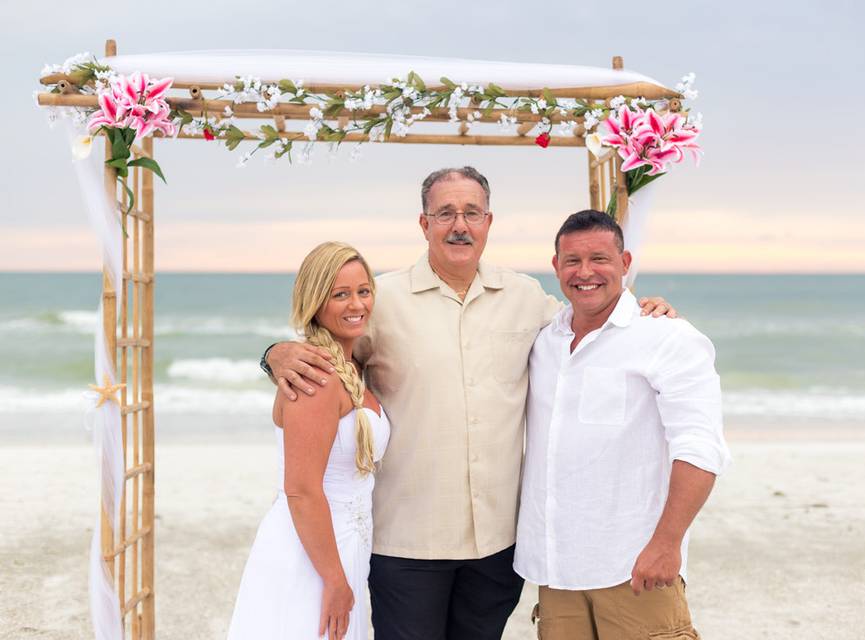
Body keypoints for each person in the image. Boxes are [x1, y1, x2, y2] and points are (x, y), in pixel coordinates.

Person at [264, 168, 678, 640]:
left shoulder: (525, 296)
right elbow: (325, 354)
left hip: (499, 546)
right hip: (406, 545)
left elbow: (592, 322)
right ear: (424, 224)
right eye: (445, 213)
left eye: (471, 213)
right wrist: (273, 354)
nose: (459, 225)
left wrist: (644, 308)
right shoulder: (382, 300)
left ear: (488, 221)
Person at [514, 209, 731, 639]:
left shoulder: (667, 338)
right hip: (557, 572)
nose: (585, 272)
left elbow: (700, 449)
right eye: (572, 261)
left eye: (600, 259)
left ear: (625, 263)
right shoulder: (544, 341)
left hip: (634, 567)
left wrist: (667, 545)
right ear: (555, 267)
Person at [228, 242, 390, 640]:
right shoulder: (315, 377)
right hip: (311, 555)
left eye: (363, 291)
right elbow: (301, 490)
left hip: (347, 544)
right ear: (315, 302)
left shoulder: (351, 366)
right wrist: (334, 580)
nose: (356, 304)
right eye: (340, 294)